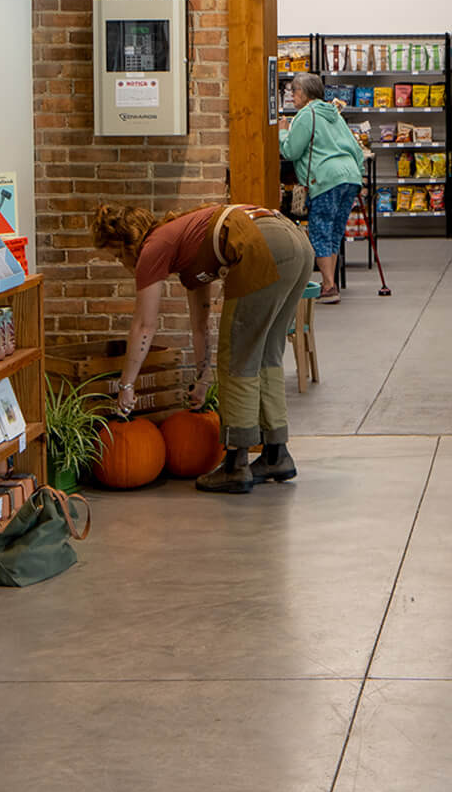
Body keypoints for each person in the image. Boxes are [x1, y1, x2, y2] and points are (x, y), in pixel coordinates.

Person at [94, 199, 315, 493]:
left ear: (124, 244)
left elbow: (144, 326)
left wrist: (126, 386)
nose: (120, 264)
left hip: (262, 243)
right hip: (296, 242)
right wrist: (203, 378)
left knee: (237, 357)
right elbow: (200, 326)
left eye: (115, 256)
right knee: (265, 353)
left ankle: (236, 464)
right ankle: (277, 454)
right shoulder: (183, 241)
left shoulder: (153, 248)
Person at [278, 73, 367, 305]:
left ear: (303, 93)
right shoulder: (333, 113)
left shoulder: (306, 115)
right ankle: (331, 282)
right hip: (350, 177)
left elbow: (291, 151)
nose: (292, 96)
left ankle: (328, 286)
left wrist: (282, 131)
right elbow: (357, 151)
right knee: (335, 231)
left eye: (294, 92)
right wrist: (359, 177)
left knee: (320, 230)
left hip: (326, 179)